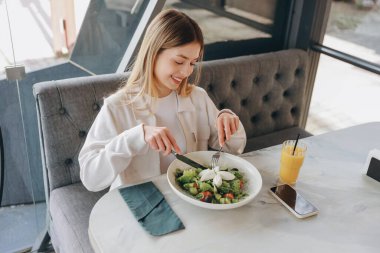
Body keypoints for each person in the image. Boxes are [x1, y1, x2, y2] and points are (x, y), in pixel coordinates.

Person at [79, 9, 247, 192]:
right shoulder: (116, 107)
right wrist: (135, 137)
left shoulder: (197, 97)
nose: (186, 72)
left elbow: (233, 149)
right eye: (178, 61)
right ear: (154, 53)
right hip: (141, 205)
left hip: (191, 200)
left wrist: (229, 122)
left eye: (192, 63)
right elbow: (90, 178)